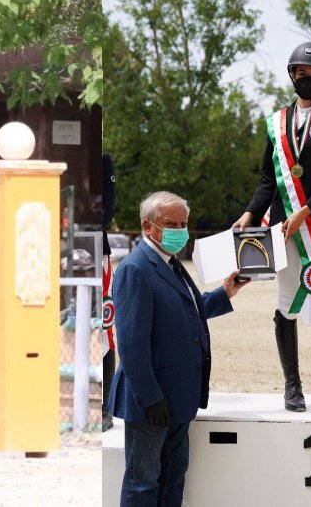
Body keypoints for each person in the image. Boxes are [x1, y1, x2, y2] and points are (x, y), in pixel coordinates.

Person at [232, 41, 311, 413]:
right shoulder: (276, 124)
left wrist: (307, 209)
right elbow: (269, 179)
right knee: (286, 302)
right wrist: (250, 214)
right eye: (302, 74)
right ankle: (292, 385)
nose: (308, 80)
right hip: (285, 228)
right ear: (292, 76)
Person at [109, 191, 249, 506]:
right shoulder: (136, 269)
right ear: (148, 226)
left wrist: (225, 293)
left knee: (173, 477)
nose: (179, 231)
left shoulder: (171, 264)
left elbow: (187, 309)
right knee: (142, 482)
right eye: (170, 224)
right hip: (152, 400)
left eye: (183, 224)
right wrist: (151, 398)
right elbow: (131, 344)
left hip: (178, 397)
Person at [102, 152, 116, 432]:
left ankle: (105, 406)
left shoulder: (104, 160)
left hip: (96, 249)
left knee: (105, 327)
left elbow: (108, 206)